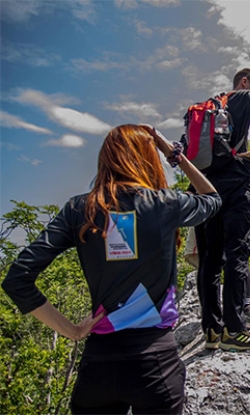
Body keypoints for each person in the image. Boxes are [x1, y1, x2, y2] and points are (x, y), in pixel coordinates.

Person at [2, 125, 221, 414]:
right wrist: (173, 153)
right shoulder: (166, 205)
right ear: (148, 159)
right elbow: (213, 198)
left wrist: (73, 330)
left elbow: (18, 279)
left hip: (99, 365)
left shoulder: (79, 209)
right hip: (155, 363)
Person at [193, 68, 250, 351]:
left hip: (206, 187)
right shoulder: (242, 96)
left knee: (209, 259)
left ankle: (211, 331)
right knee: (237, 254)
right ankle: (235, 329)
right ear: (245, 82)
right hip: (235, 187)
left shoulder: (211, 106)